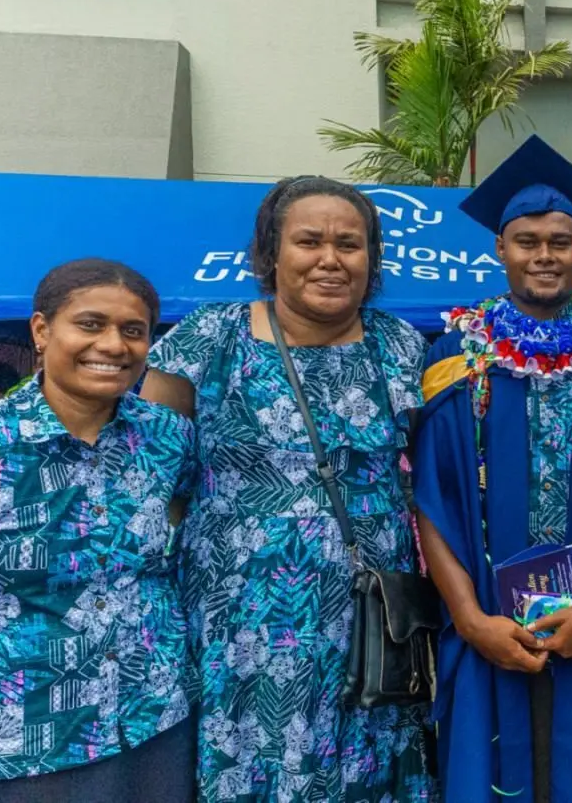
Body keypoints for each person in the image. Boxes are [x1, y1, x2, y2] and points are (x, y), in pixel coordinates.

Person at [141, 177, 437, 801]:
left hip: (370, 621)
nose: (330, 259)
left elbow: (432, 478)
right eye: (309, 241)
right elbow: (151, 477)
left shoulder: (403, 349)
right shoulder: (210, 339)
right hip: (238, 621)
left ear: (372, 260)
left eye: (349, 244)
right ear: (271, 253)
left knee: (365, 763)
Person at [412, 135, 572, 803]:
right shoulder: (454, 356)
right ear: (500, 248)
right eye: (527, 240)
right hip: (490, 625)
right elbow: (431, 497)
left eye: (559, 240)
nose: (544, 254)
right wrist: (470, 619)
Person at [0, 259, 197, 802]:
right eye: (91, 324)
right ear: (42, 331)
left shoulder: (168, 439)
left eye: (132, 331)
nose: (113, 345)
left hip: (155, 717)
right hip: (24, 735)